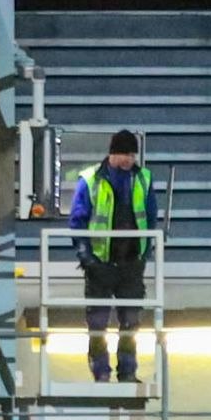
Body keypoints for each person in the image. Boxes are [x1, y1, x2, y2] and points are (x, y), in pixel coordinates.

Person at [68, 131, 159, 383]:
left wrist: (143, 253)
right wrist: (88, 259)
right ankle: (101, 371)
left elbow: (150, 218)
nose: (129, 159)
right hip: (100, 264)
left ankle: (127, 371)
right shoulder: (90, 180)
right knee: (98, 322)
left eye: (132, 154)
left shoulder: (142, 178)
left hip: (130, 263)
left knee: (130, 321)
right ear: (112, 153)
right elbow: (78, 221)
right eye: (125, 154)